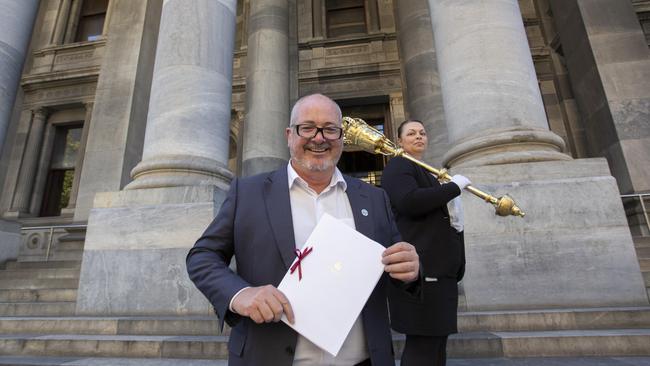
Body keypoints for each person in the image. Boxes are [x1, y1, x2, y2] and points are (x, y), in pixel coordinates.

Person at [186, 94, 420, 366]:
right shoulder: (247, 193)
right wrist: (240, 294)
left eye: (330, 129)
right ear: (289, 135)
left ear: (342, 137)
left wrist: (411, 270)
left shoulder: (375, 198)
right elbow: (202, 257)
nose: (319, 138)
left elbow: (396, 266)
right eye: (307, 127)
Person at [381, 120, 470, 366]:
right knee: (423, 349)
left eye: (422, 133)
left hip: (440, 272)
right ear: (399, 141)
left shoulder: (426, 170)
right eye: (411, 133)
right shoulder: (399, 165)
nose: (418, 136)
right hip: (421, 273)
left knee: (437, 346)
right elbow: (409, 201)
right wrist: (453, 188)